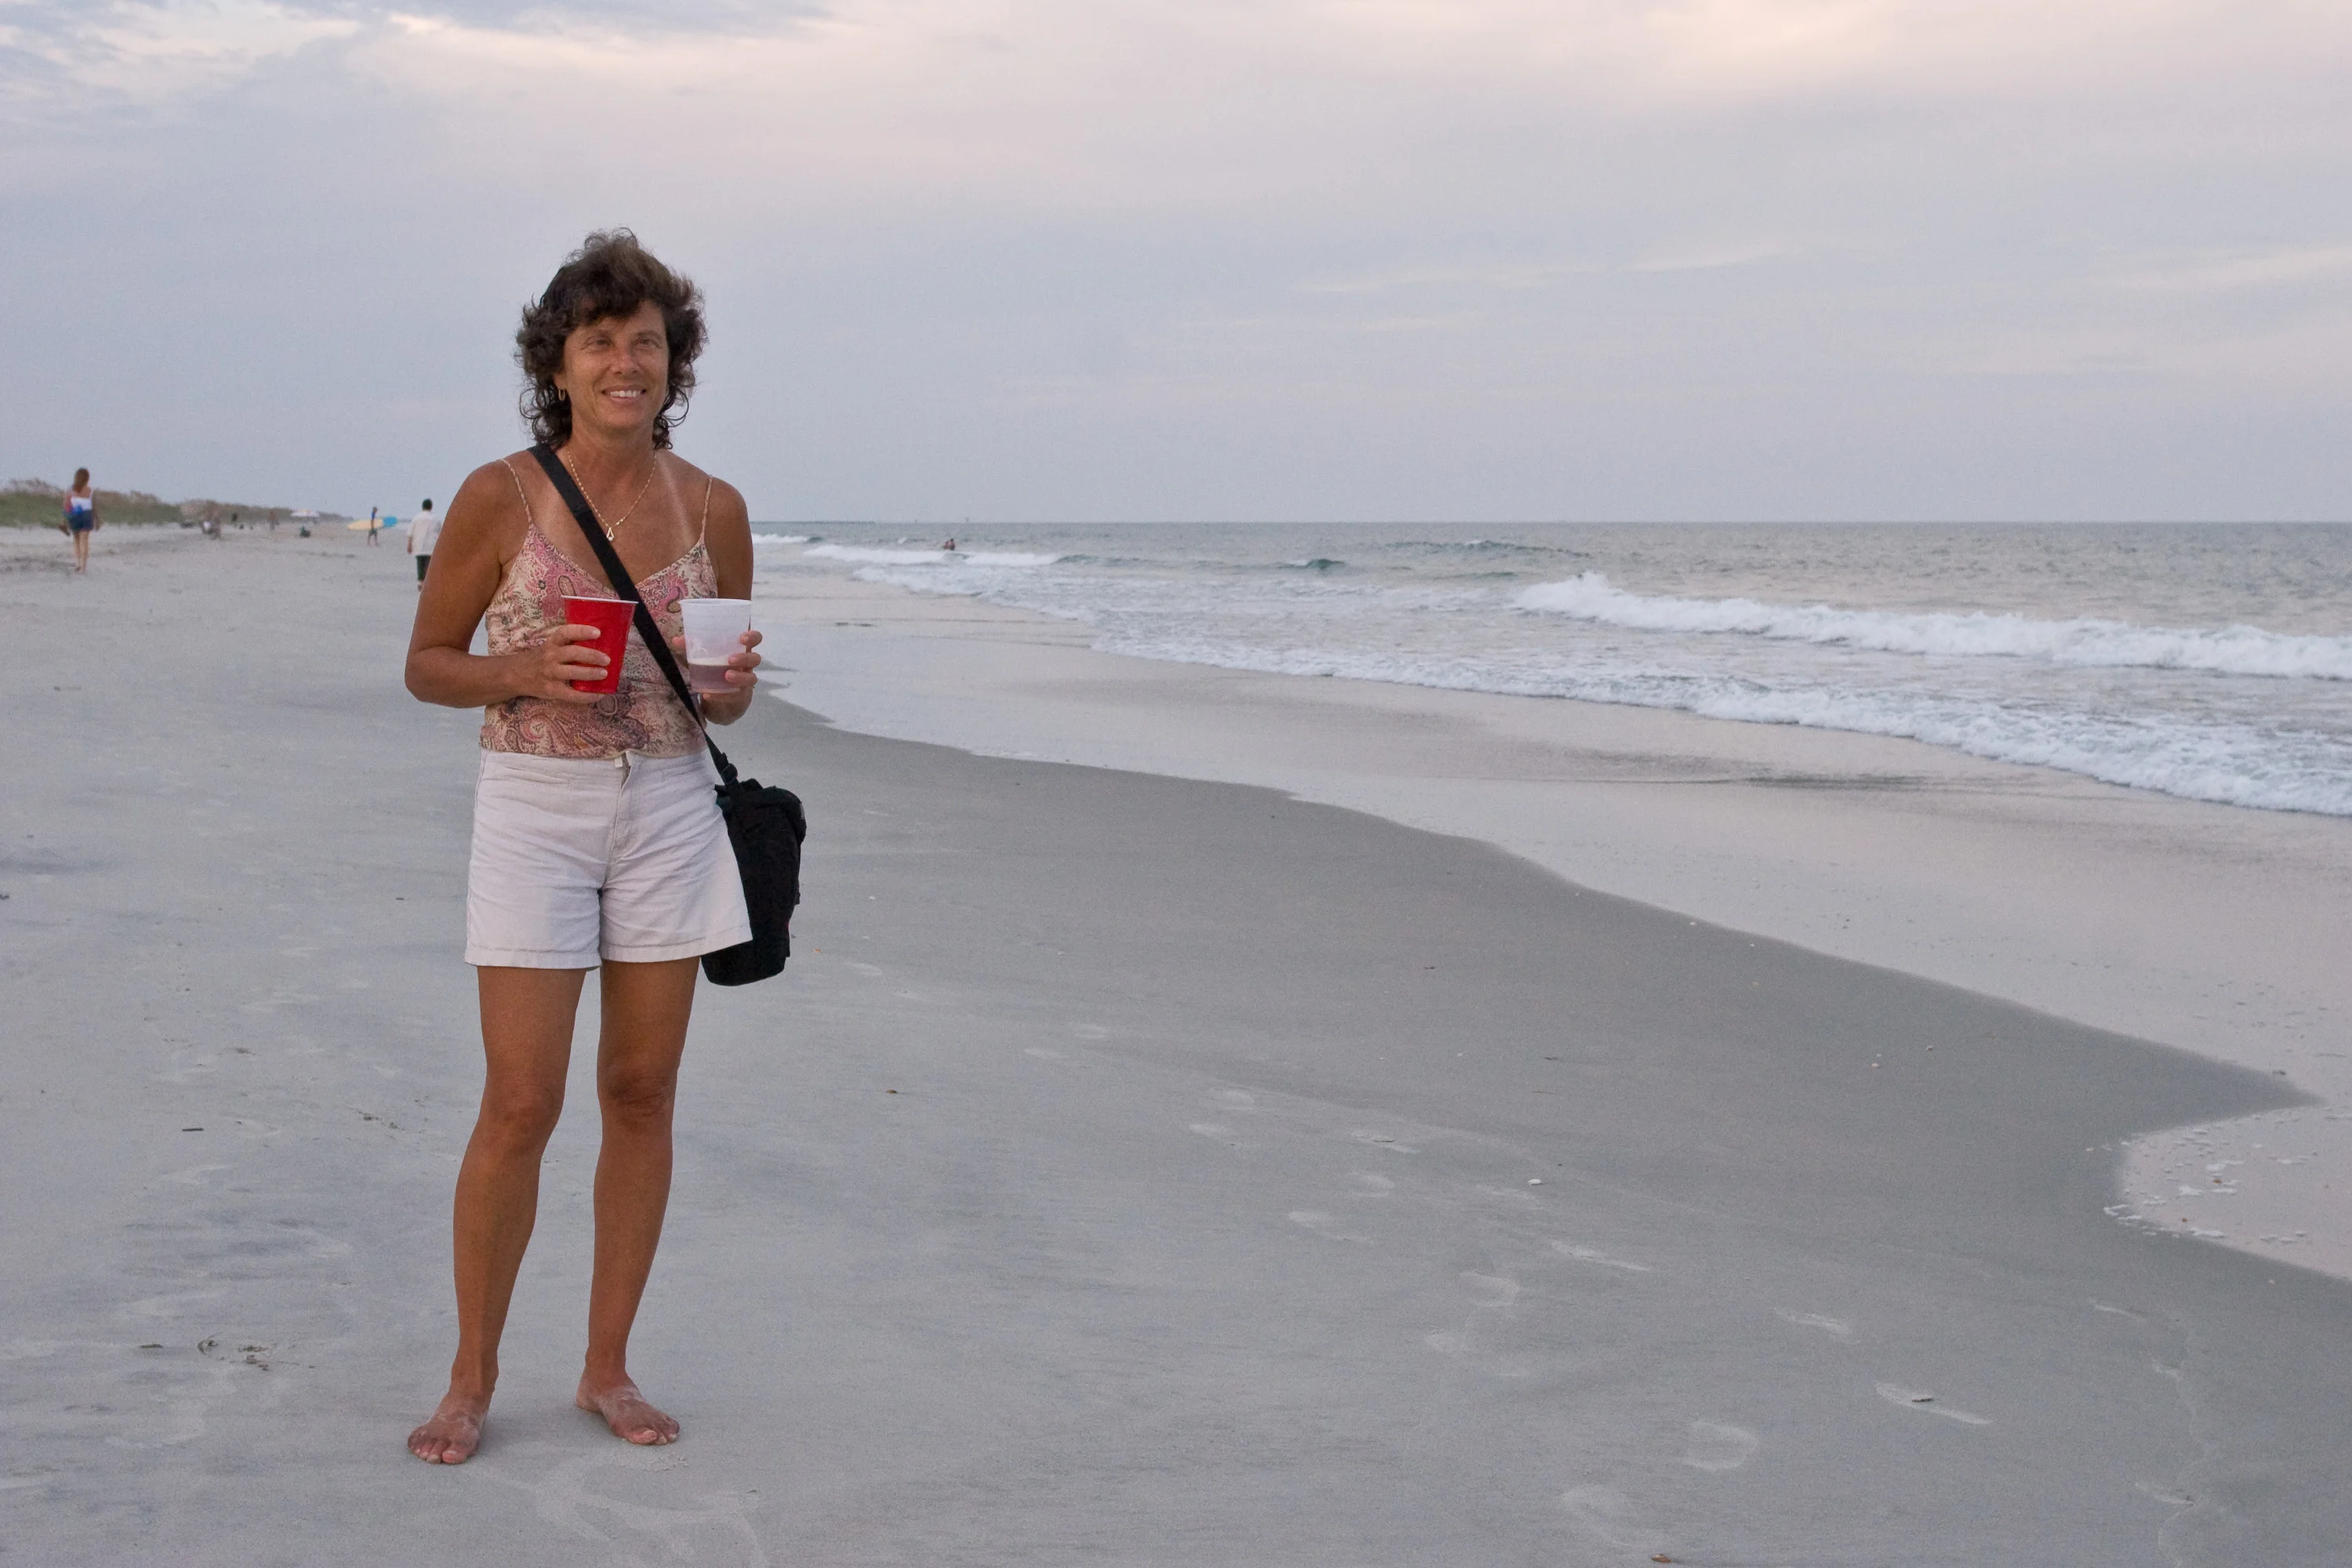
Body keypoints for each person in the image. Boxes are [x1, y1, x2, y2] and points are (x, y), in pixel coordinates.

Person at [401, 230, 764, 1466]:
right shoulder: (501, 495)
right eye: (599, 342)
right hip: (534, 807)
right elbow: (426, 665)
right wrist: (519, 668)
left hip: (668, 807)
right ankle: (470, 1380)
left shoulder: (715, 508)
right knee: (521, 1100)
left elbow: (723, 701)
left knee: (641, 1093)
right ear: (556, 364)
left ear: (675, 361)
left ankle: (608, 1367)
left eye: (645, 342)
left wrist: (730, 692)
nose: (625, 364)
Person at [61, 469, 98, 572]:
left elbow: (66, 505)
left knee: (76, 541)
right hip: (87, 515)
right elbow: (94, 507)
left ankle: (78, 563)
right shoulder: (90, 490)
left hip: (75, 515)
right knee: (84, 542)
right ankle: (83, 567)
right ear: (87, 478)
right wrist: (97, 520)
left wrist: (65, 519)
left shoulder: (70, 489)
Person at [408, 498, 442, 588]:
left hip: (419, 544)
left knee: (420, 564)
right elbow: (441, 533)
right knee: (429, 564)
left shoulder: (416, 518)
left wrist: (409, 545)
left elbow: (410, 533)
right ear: (431, 507)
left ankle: (420, 582)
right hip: (432, 545)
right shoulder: (436, 518)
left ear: (422, 507)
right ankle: (427, 582)